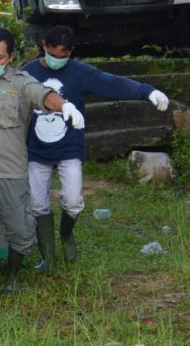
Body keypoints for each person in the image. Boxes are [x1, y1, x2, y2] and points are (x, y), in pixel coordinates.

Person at [0, 27, 86, 306]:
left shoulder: (21, 82)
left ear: (10, 57)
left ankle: (11, 279)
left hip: (11, 173)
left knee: (21, 232)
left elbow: (43, 95)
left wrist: (65, 107)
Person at [21, 26, 169, 271]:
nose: (58, 60)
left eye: (63, 56)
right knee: (37, 204)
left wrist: (146, 91)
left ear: (72, 51)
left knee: (73, 200)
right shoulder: (28, 72)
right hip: (37, 150)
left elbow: (112, 83)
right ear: (44, 46)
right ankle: (47, 257)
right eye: (53, 54)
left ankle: (67, 234)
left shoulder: (80, 72)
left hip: (69, 147)